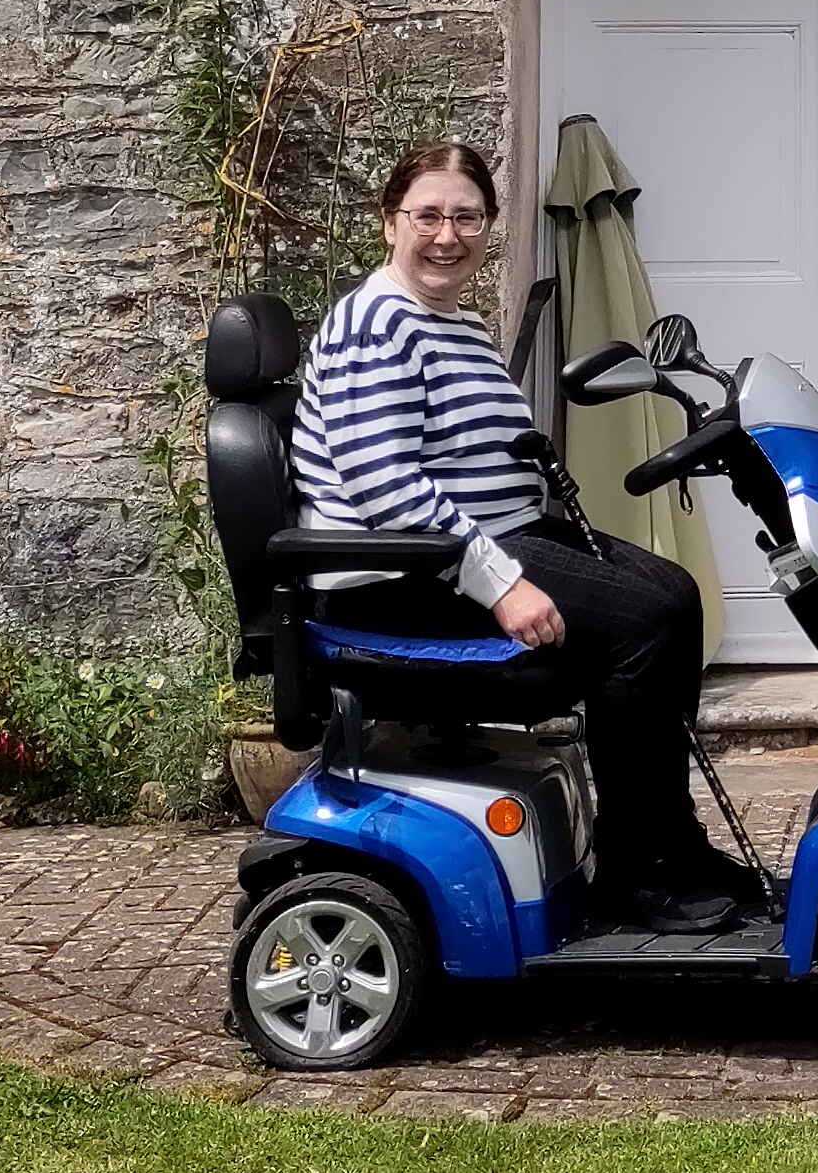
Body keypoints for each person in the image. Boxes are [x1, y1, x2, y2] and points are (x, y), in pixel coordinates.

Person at [291, 138, 755, 931]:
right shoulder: (377, 324)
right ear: (388, 222)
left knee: (671, 591)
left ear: (489, 225)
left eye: (467, 217)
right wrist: (500, 583)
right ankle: (640, 874)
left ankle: (667, 845)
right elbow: (384, 485)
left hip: (475, 546)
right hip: (406, 580)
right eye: (427, 215)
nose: (447, 235)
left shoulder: (449, 321)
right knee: (645, 620)